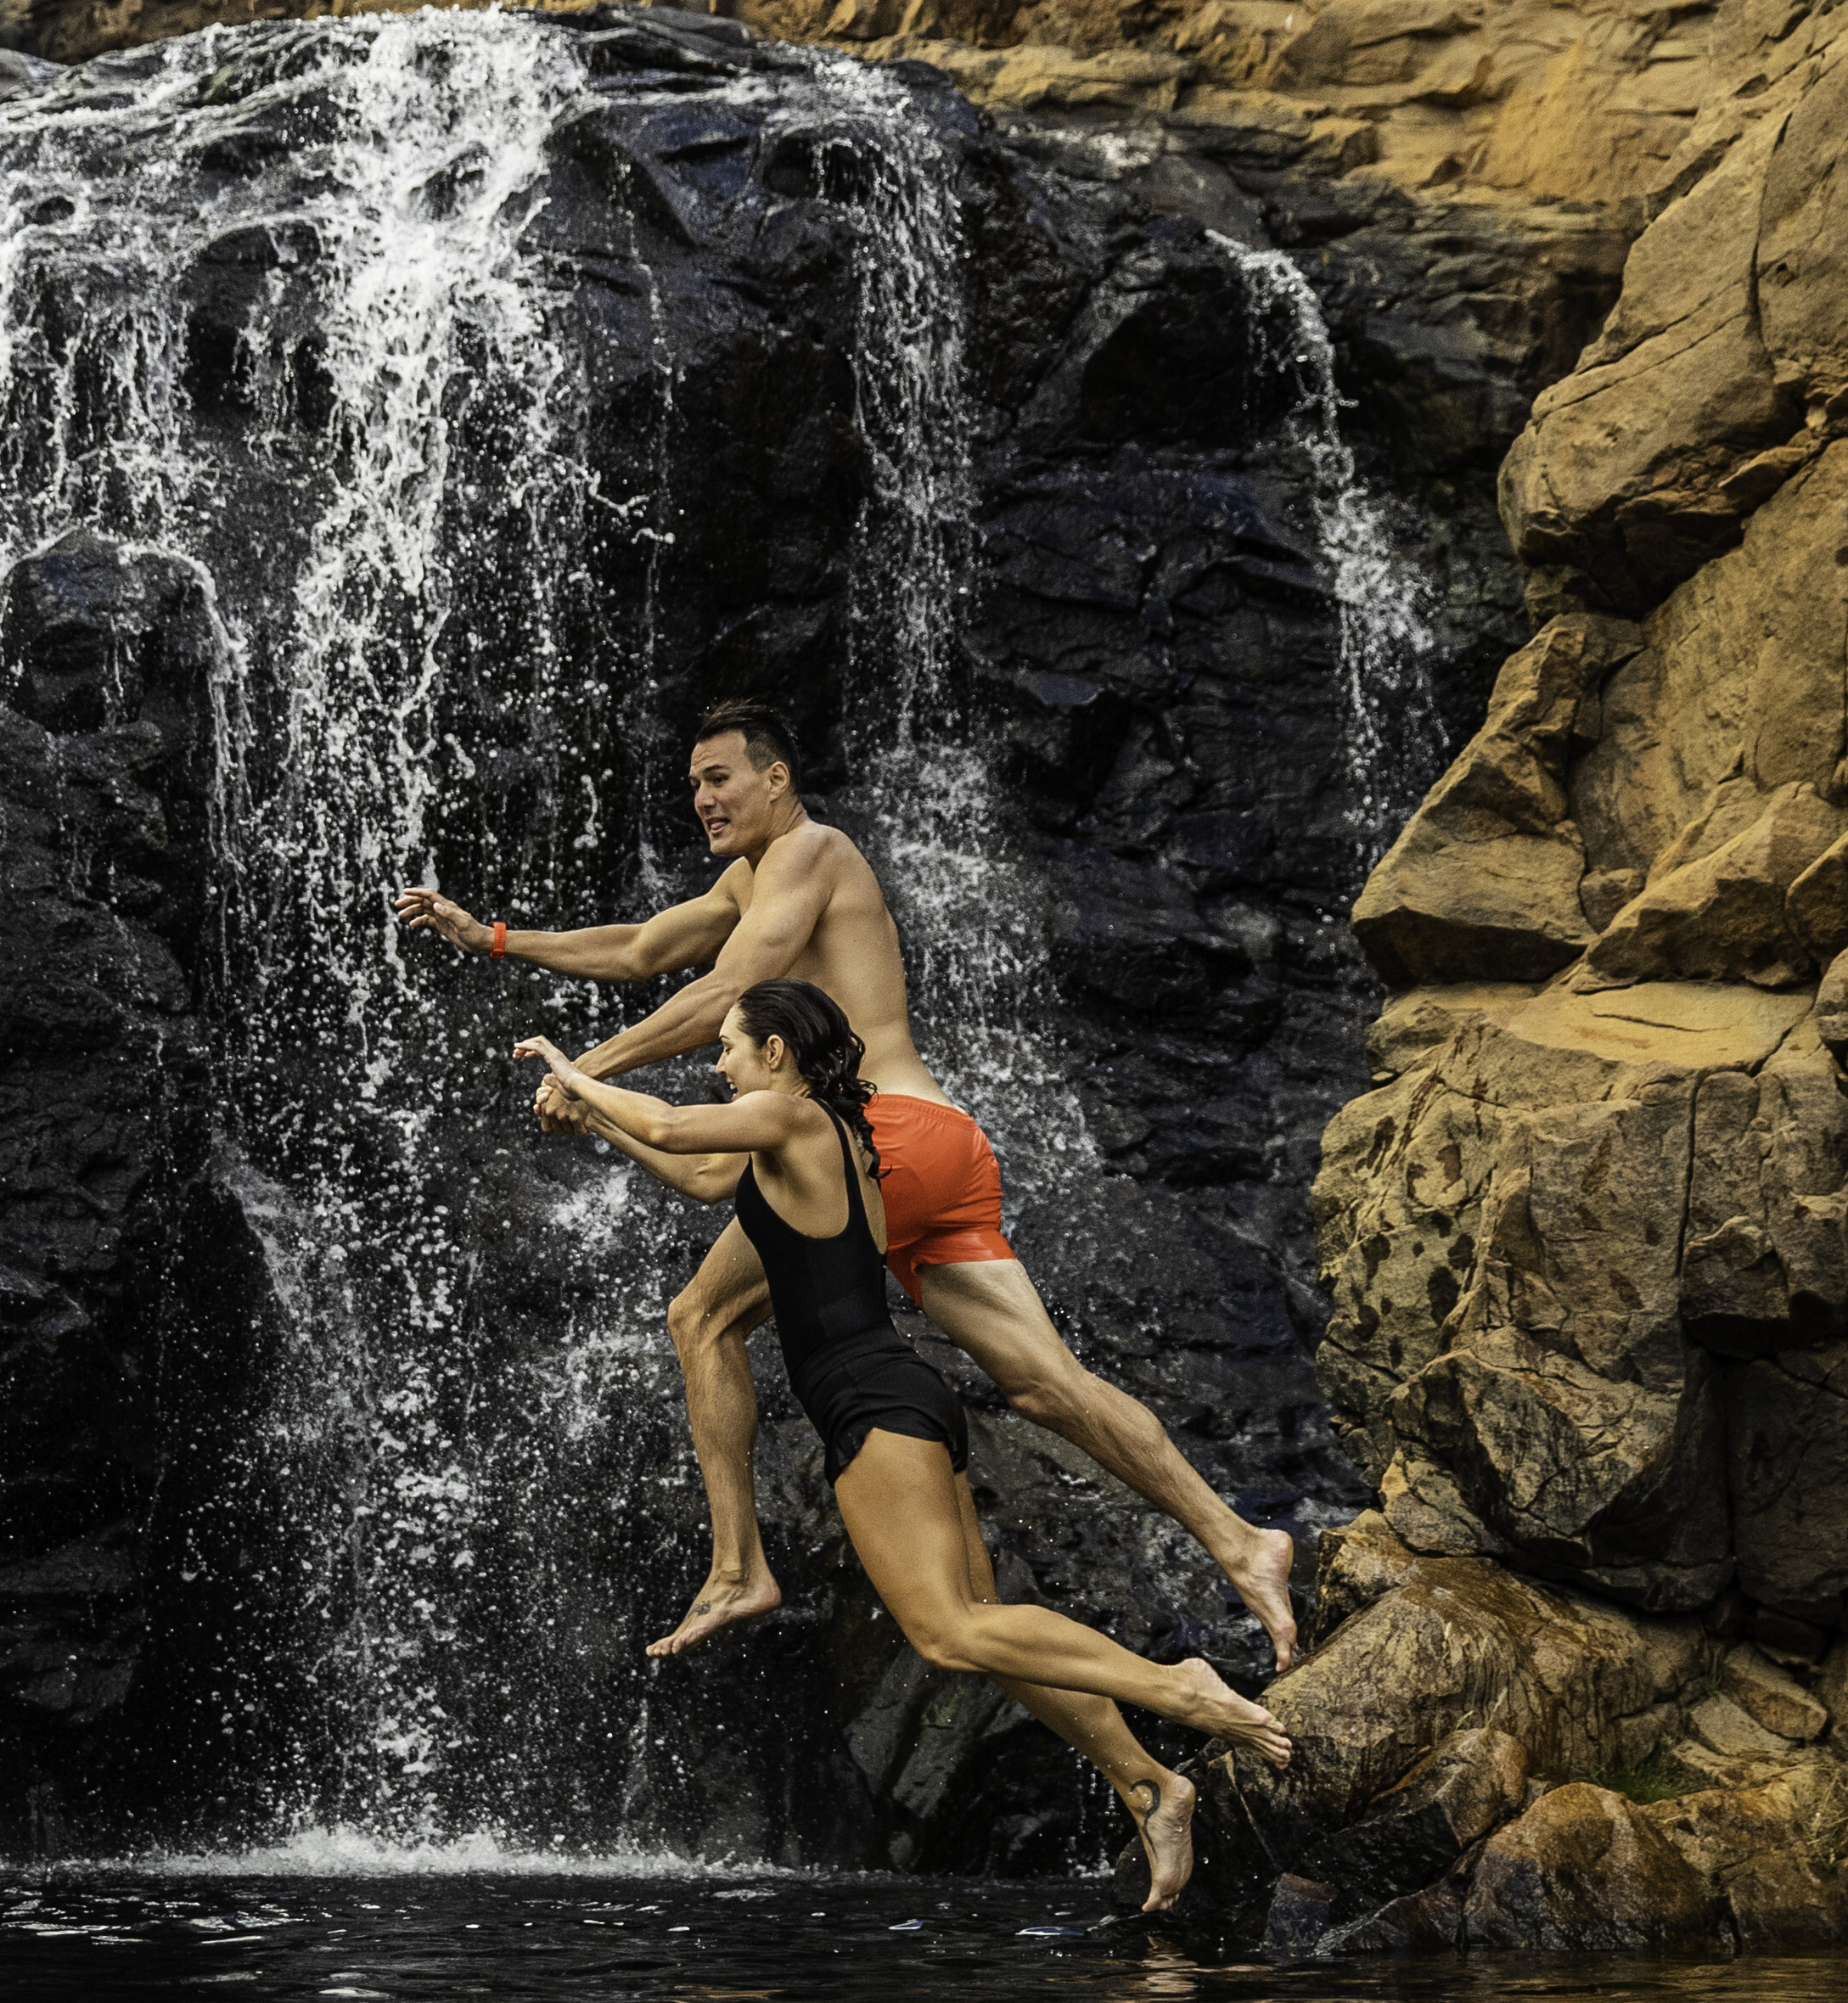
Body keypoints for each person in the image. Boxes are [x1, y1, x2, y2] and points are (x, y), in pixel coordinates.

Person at [396, 700, 1302, 1667]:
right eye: (694, 782)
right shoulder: (755, 874)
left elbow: (716, 994)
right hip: (942, 1143)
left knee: (701, 1317)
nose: (701, 797)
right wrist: (491, 938)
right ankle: (1244, 1542)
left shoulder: (812, 851)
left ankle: (740, 1564)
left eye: (719, 778)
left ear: (775, 777)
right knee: (1047, 1386)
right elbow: (643, 949)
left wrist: (583, 1074)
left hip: (880, 1138)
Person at [512, 982, 1289, 1909]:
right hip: (895, 1395)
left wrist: (577, 1071)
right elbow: (693, 1170)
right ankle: (1148, 1783)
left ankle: (1179, 1688)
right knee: (982, 1620)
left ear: (776, 1054)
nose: (715, 1063)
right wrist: (600, 1125)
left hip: (871, 1403)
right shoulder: (819, 1139)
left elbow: (680, 1129)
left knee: (950, 1632)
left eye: (726, 1046)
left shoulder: (795, 1122)